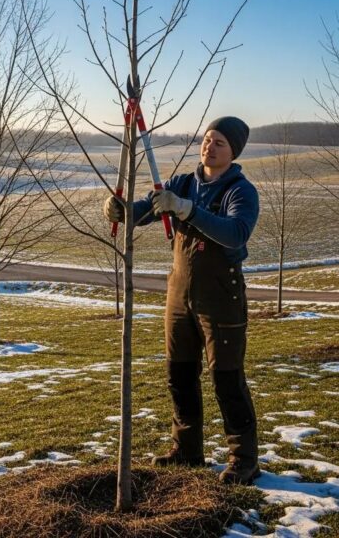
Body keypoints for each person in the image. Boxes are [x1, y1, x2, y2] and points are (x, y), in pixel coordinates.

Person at [103, 116, 260, 485]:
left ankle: (244, 459)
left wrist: (187, 210)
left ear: (233, 150)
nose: (210, 147)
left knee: (226, 379)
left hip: (222, 295)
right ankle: (187, 449)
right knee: (179, 374)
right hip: (179, 293)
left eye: (219, 142)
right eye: (207, 139)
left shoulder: (240, 191)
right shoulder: (182, 182)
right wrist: (121, 210)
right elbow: (145, 209)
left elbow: (236, 233)